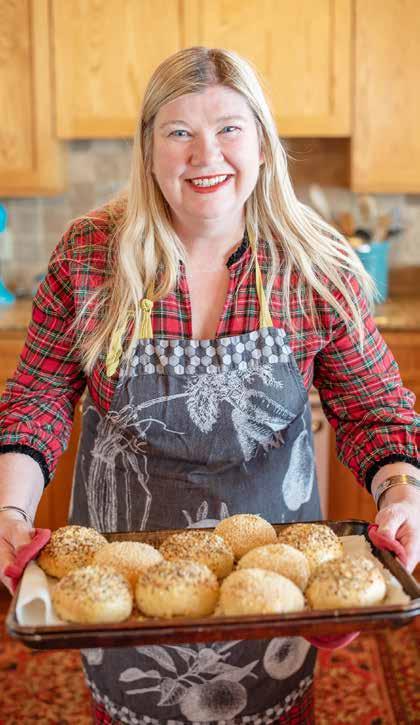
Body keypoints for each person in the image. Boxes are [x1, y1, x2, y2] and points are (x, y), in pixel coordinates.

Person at [0, 46, 419, 724]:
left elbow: (375, 410)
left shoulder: (315, 266)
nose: (206, 155)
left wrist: (402, 491)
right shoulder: (89, 256)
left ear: (262, 141)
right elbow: (37, 399)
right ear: (148, 150)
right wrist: (11, 511)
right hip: (121, 590)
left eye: (229, 128)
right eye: (179, 132)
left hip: (275, 588)